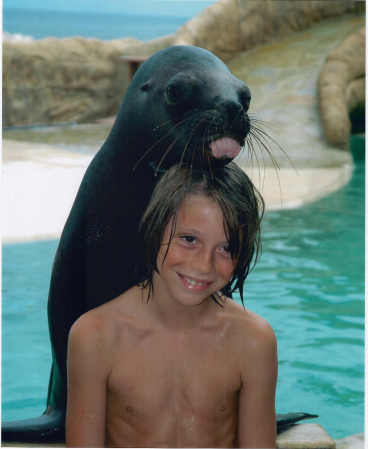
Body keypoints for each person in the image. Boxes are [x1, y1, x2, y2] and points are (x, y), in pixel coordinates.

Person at [66, 162, 277, 448]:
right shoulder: (96, 336)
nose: (203, 265)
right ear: (155, 227)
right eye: (189, 240)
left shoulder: (253, 341)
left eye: (226, 248)